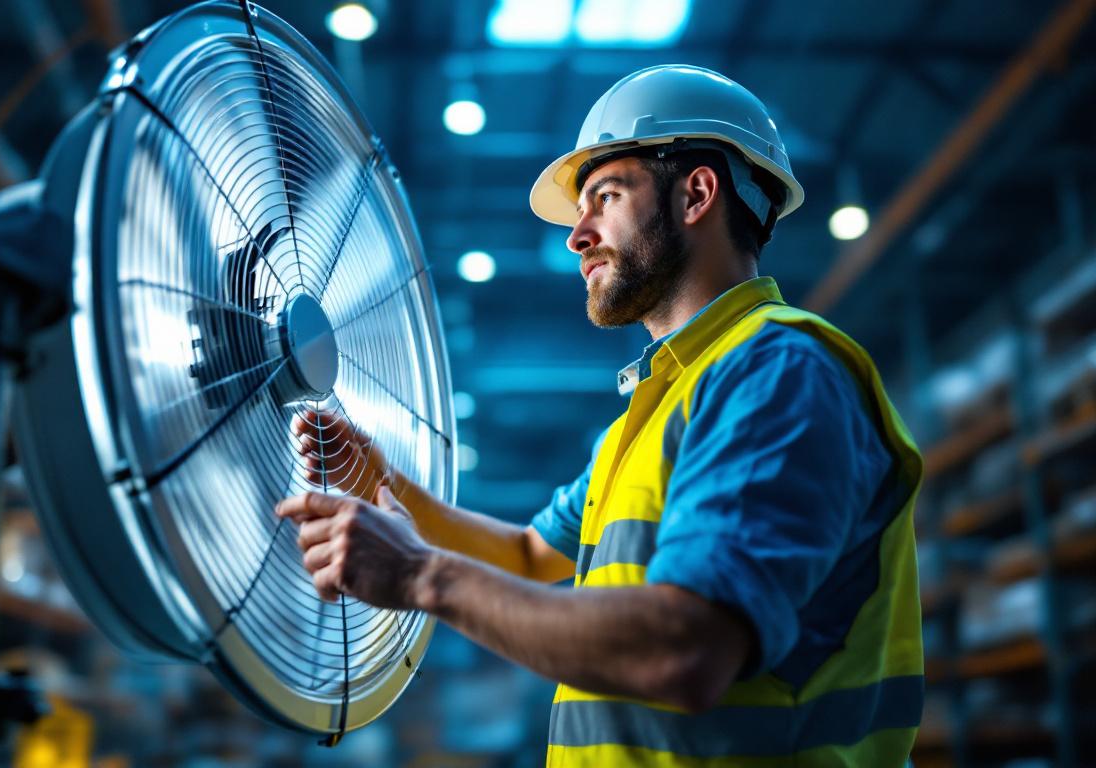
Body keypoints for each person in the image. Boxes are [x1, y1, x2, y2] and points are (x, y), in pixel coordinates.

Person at [276, 65, 924, 767]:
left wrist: (421, 576)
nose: (576, 236)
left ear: (696, 195)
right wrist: (381, 479)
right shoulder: (647, 418)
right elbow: (528, 554)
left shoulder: (778, 374)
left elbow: (686, 649)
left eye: (605, 197)